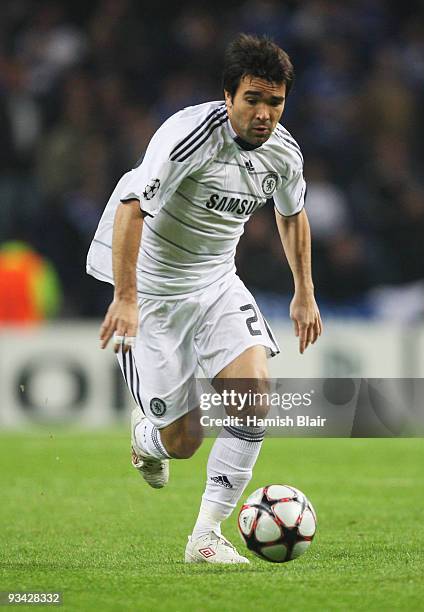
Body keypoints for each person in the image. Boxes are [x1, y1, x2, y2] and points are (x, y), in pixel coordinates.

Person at [87, 33, 322, 564]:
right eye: (253, 100)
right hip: (155, 294)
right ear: (228, 96)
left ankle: (206, 536)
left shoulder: (284, 153)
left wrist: (304, 292)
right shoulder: (187, 136)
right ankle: (149, 435)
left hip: (217, 283)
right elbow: (131, 207)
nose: (265, 114)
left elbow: (292, 213)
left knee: (254, 394)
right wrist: (126, 297)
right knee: (184, 440)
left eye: (276, 102)